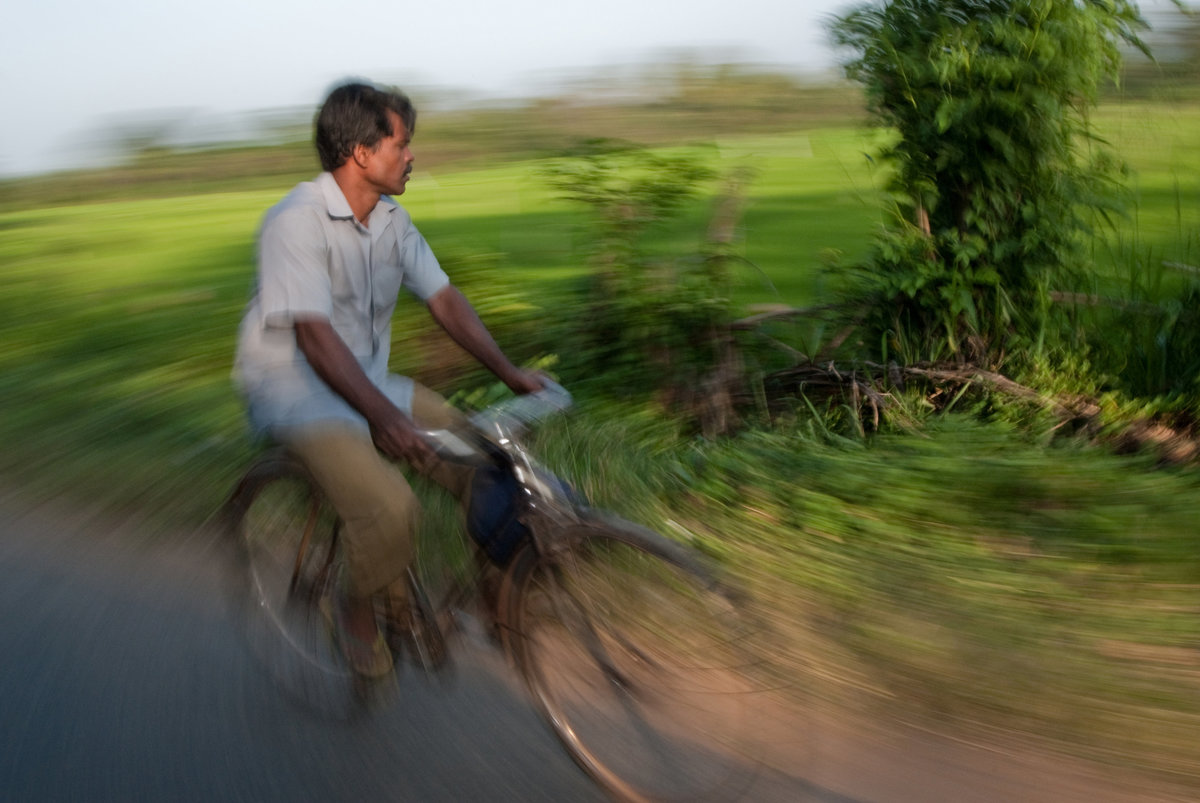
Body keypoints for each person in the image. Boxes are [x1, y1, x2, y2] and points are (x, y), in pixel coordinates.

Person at [234, 81, 543, 677]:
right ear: (361, 153)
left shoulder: (392, 223)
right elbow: (315, 340)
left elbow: (445, 300)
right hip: (295, 391)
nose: (412, 156)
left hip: (365, 382)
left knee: (487, 462)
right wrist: (385, 418)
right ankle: (354, 607)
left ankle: (496, 602)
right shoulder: (294, 222)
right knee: (391, 507)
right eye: (402, 143)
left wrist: (509, 374)